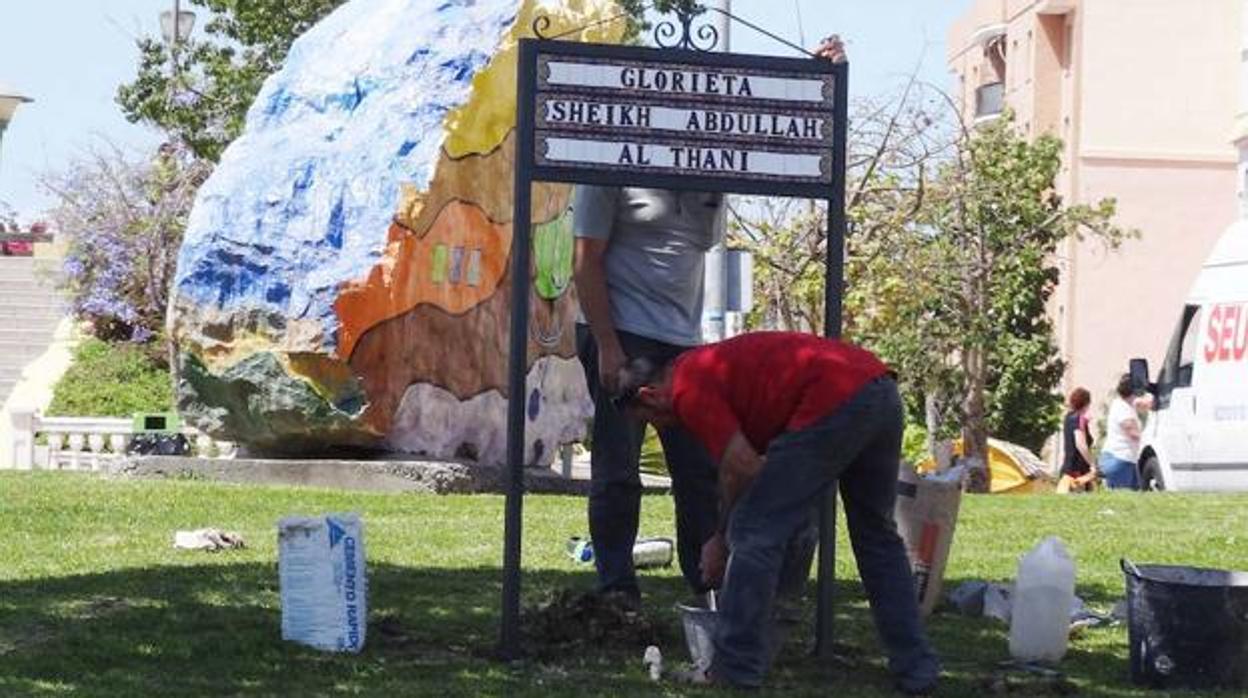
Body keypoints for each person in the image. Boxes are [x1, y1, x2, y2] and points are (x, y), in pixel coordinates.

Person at [572, 35, 848, 605]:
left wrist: (818, 76)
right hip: (622, 330)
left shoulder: (713, 165)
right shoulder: (611, 161)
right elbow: (585, 260)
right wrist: (607, 345)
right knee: (619, 468)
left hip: (685, 343)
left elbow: (771, 120)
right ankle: (617, 588)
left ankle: (706, 582)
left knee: (698, 470)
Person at [615, 331, 940, 694]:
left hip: (833, 400)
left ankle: (734, 668)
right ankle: (917, 668)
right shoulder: (708, 366)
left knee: (752, 534)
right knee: (877, 538)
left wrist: (721, 540)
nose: (659, 428)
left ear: (649, 395)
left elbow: (740, 467)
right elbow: (754, 464)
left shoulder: (687, 388)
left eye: (649, 420)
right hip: (878, 388)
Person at [1098, 374, 1143, 489]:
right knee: (1122, 501)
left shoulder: (1123, 404)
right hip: (1119, 460)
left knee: (1132, 501)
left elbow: (1143, 403)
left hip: (1124, 460)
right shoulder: (1123, 409)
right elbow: (1133, 433)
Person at [1058, 388, 1097, 493]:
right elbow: (1080, 444)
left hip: (1067, 469)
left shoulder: (1068, 418)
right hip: (1078, 473)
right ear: (1087, 403)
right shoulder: (1079, 419)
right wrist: (1092, 463)